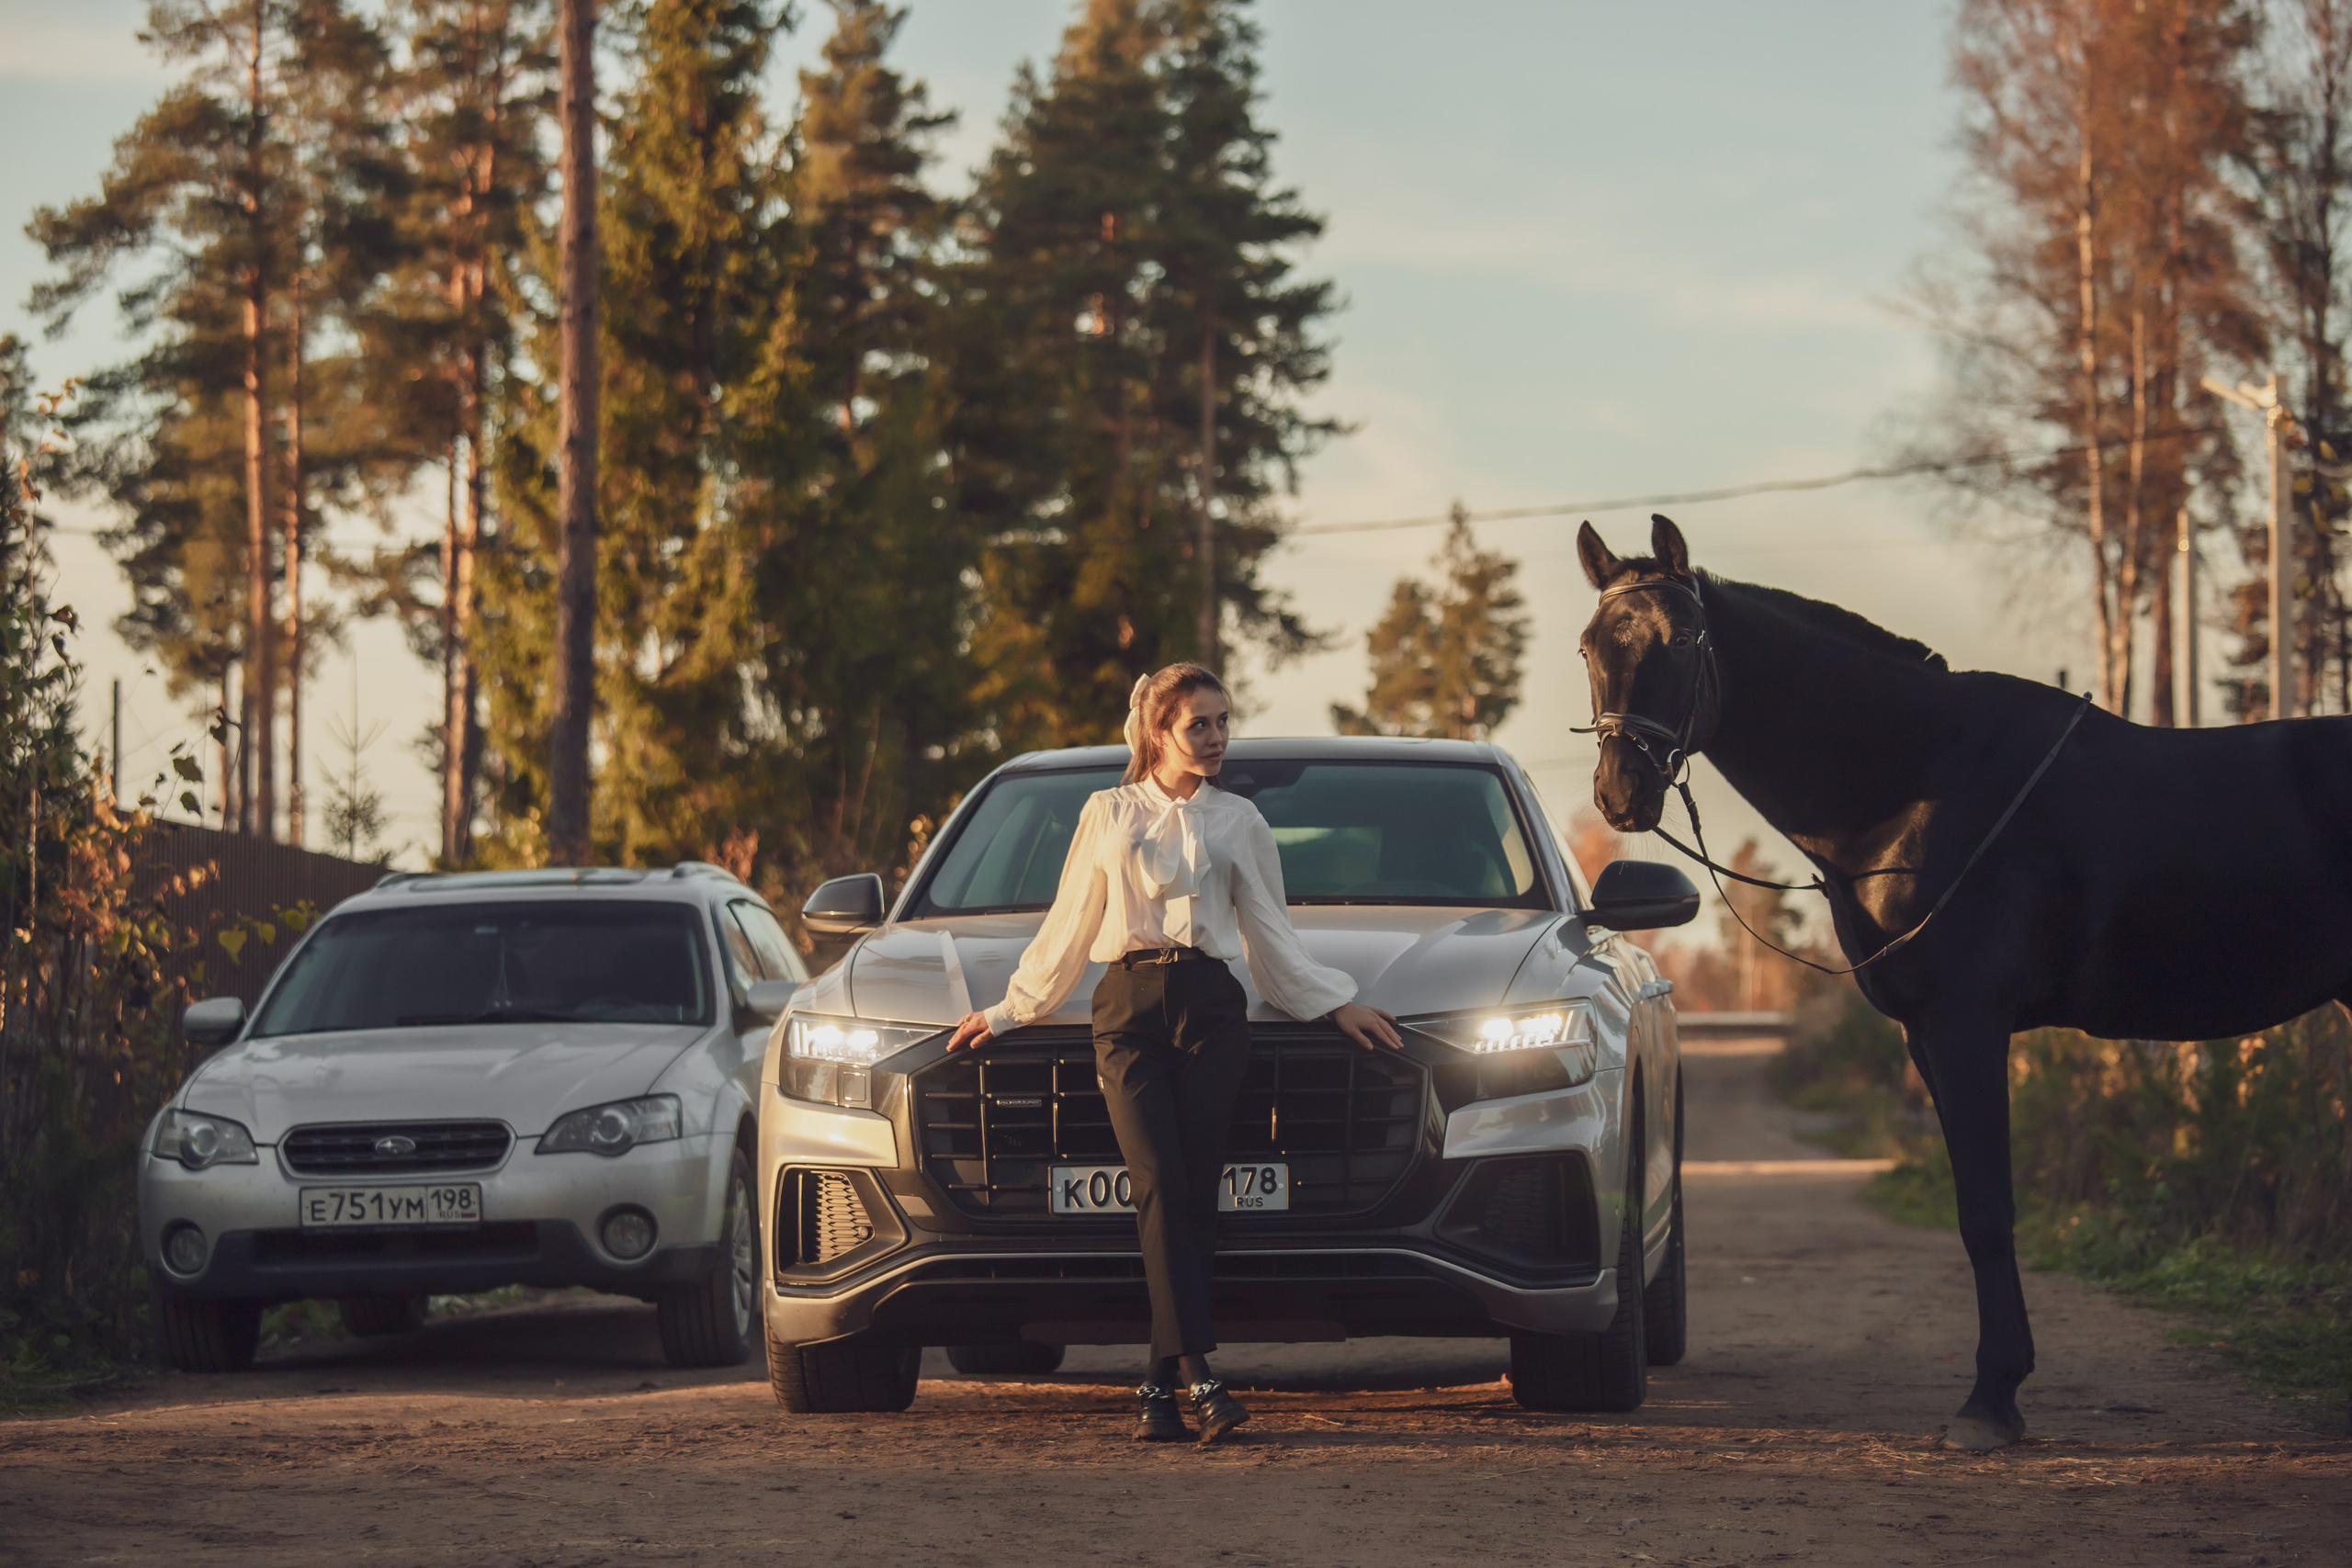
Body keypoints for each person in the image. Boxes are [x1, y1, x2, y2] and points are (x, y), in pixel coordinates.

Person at [944, 663, 1403, 1445]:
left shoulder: (1242, 822)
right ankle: (1202, 1377)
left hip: (1213, 1010)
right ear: (1159, 732)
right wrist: (1009, 1008)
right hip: (1126, 1008)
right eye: (1200, 724)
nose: (1218, 737)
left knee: (1192, 1191)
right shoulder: (1108, 811)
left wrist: (1336, 1001)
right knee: (1156, 1178)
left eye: (1224, 722)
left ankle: (1157, 1387)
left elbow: (1270, 938)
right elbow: (1068, 924)